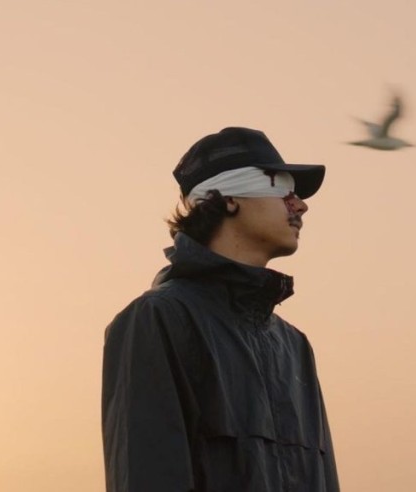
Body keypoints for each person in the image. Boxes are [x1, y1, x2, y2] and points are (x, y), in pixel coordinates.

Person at [101, 127, 340, 491]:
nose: (299, 205)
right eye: (281, 188)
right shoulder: (159, 319)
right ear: (227, 198)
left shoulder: (295, 346)